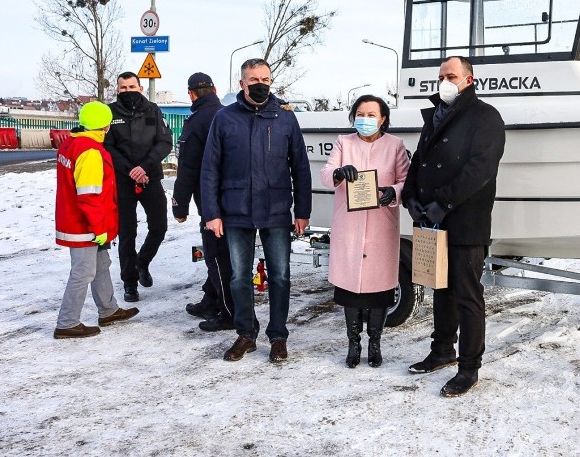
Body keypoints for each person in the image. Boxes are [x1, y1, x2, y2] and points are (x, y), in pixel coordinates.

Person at [401, 55, 505, 397]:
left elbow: (480, 169)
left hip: (465, 220)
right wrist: (411, 197)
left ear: (469, 80)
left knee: (466, 294)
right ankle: (442, 350)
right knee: (439, 289)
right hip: (431, 219)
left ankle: (469, 366)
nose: (445, 81)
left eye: (452, 76)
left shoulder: (485, 116)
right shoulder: (435, 117)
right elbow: (420, 159)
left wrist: (442, 203)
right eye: (442, 76)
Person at [201, 58, 311, 363]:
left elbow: (300, 167)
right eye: (253, 79)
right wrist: (211, 212)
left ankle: (278, 336)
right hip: (235, 211)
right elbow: (210, 169)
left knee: (280, 276)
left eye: (265, 78)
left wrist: (302, 210)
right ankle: (246, 333)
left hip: (276, 209)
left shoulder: (285, 118)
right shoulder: (224, 118)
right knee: (238, 277)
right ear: (242, 83)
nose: (260, 84)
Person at [320, 94, 410, 368]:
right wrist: (338, 173)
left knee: (379, 289)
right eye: (361, 113)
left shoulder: (395, 145)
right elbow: (326, 173)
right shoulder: (343, 142)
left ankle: (374, 342)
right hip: (349, 226)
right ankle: (353, 343)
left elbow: (407, 180)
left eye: (372, 115)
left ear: (383, 119)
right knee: (351, 288)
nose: (365, 119)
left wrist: (392, 192)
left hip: (382, 225)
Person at [54, 101, 139, 339]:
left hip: (76, 219)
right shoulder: (90, 151)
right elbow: (89, 195)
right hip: (85, 225)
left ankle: (108, 310)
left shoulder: (71, 143)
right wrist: (99, 227)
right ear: (105, 125)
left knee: (101, 265)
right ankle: (67, 322)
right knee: (83, 272)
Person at [172, 72, 235, 331]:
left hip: (211, 201)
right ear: (215, 89)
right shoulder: (230, 116)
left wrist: (180, 205)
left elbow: (187, 167)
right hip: (236, 198)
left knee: (217, 256)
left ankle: (229, 312)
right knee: (226, 254)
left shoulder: (196, 122)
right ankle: (210, 300)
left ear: (191, 94)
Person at [104, 71, 173, 302]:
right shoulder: (109, 113)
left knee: (159, 227)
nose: (127, 91)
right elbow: (108, 146)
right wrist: (130, 170)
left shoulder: (153, 109)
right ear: (117, 90)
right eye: (123, 88)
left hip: (150, 177)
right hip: (122, 181)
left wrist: (144, 167)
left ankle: (141, 263)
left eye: (132, 86)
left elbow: (165, 142)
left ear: (140, 88)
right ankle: (129, 283)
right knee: (127, 233)